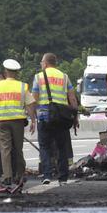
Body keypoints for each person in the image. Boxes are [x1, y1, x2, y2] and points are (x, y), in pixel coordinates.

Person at [32, 53, 78, 185]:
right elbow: (72, 98)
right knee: (61, 147)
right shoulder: (64, 77)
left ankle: (47, 175)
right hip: (61, 117)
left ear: (45, 63)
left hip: (44, 116)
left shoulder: (38, 77)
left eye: (41, 62)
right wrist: (74, 117)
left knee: (44, 146)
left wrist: (33, 117)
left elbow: (34, 98)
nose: (41, 64)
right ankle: (63, 177)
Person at [0, 59, 36, 185]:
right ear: (17, 72)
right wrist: (33, 121)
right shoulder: (22, 86)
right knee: (18, 148)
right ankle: (19, 175)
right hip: (18, 121)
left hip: (2, 121)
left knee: (5, 149)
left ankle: (7, 176)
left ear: (5, 71)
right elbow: (31, 104)